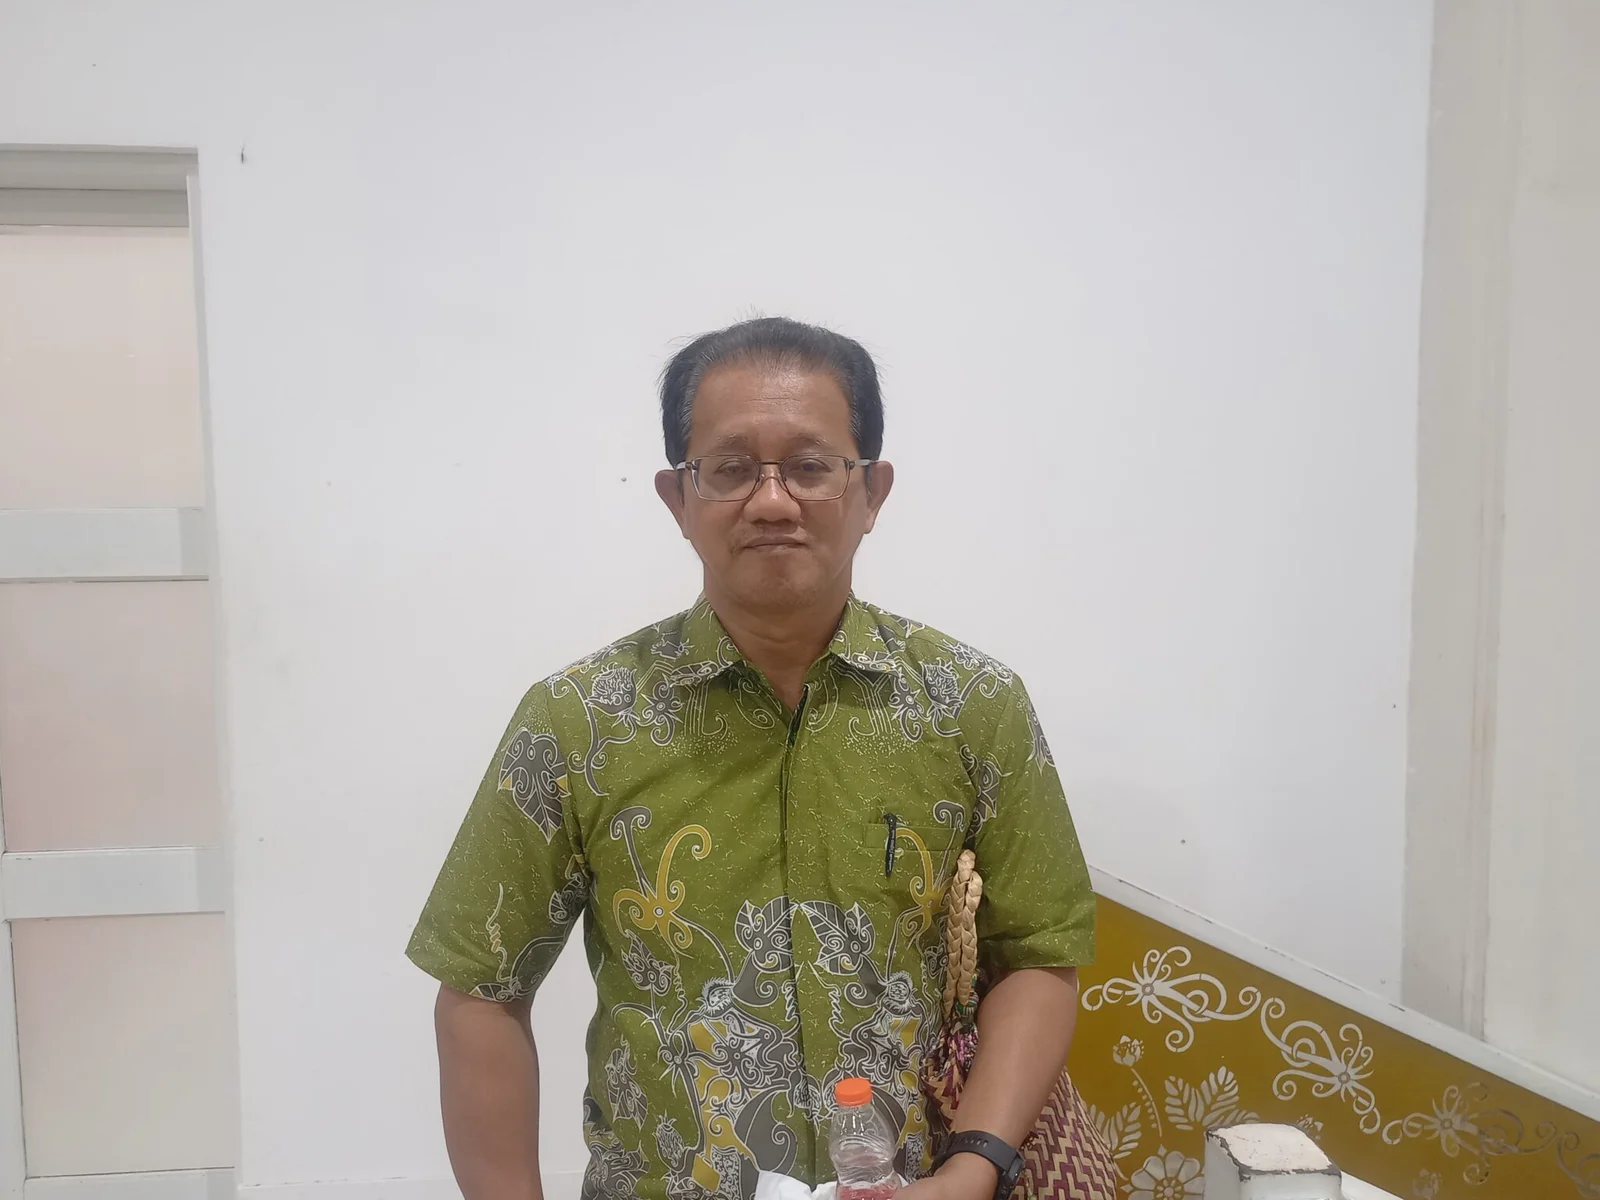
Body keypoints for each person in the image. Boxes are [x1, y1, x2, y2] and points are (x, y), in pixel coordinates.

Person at [407, 317, 1096, 1200]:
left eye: (810, 466)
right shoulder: (577, 720)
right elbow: (481, 988)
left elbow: (1039, 953)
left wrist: (971, 1169)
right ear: (678, 498)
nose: (772, 502)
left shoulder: (973, 706)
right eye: (731, 469)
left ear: (872, 491)